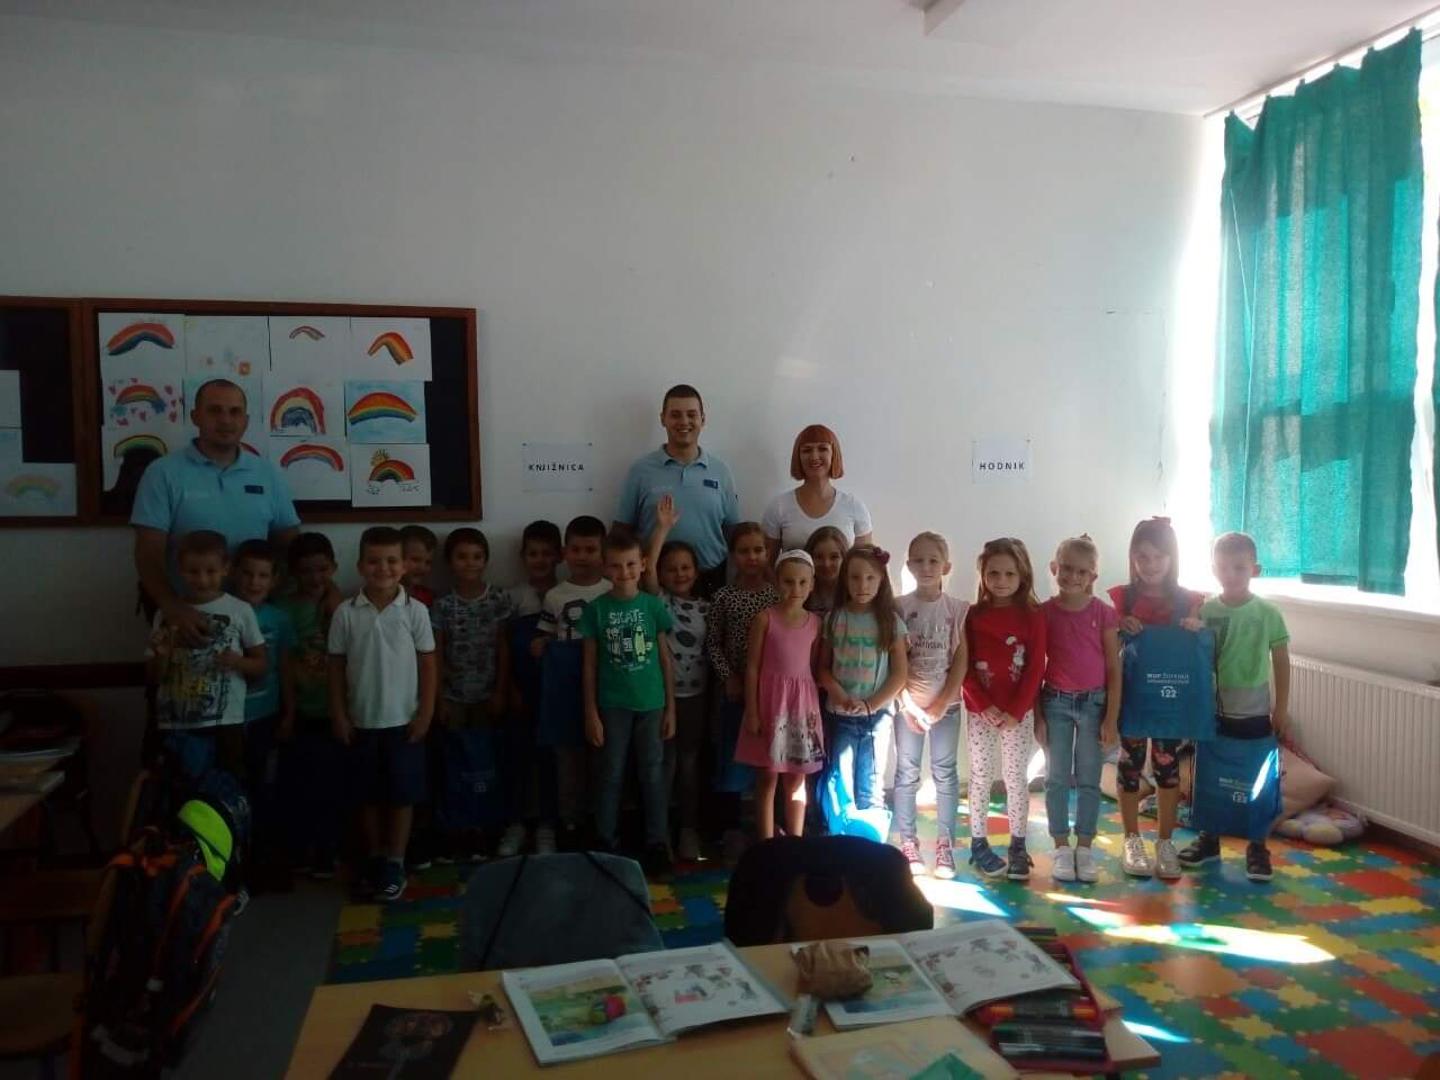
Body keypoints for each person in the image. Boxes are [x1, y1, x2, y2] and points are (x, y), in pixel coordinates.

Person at [132, 379, 300, 646]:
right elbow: (148, 553)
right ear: (195, 416)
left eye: (234, 412)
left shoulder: (267, 474)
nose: (225, 420)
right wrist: (172, 606)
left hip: (255, 620)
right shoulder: (162, 473)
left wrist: (319, 591)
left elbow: (292, 547)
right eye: (215, 410)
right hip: (189, 620)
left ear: (245, 421)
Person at [328, 526, 438, 903]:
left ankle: (395, 860)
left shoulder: (415, 611)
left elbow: (428, 664)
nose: (383, 568)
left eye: (392, 561)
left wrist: (425, 713)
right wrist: (339, 714)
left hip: (404, 721)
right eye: (374, 561)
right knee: (367, 795)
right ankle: (375, 856)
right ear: (360, 566)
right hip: (361, 721)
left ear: (404, 566)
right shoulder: (345, 613)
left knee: (402, 795)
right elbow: (335, 667)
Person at [1182, 532, 1291, 882]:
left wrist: (1281, 708)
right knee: (1209, 775)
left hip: (1255, 713)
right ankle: (1208, 839)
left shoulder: (1268, 613)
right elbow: (1195, 659)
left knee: (1258, 780)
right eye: (1223, 567)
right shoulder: (1206, 610)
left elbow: (1281, 661)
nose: (1230, 574)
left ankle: (1257, 846)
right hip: (1213, 713)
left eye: (1239, 568)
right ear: (1213, 569)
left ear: (1255, 570)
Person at [1107, 517, 1205, 880]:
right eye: (1142, 557)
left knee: (1166, 766)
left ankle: (1165, 842)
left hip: (1169, 699)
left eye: (1159, 557)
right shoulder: (1121, 599)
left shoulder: (1189, 600)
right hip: (1133, 696)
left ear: (1173, 557)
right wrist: (1120, 626)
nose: (1150, 565)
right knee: (1129, 764)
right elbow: (1108, 644)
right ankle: (1131, 839)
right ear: (1132, 558)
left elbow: (1203, 647)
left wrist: (1197, 627)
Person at [580, 528, 676, 873]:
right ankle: (606, 840)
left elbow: (665, 659)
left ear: (643, 564)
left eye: (631, 564)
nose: (624, 572)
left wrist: (671, 708)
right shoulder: (596, 610)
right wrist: (590, 712)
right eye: (616, 565)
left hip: (652, 705)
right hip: (612, 706)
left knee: (652, 774)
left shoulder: (652, 606)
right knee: (610, 773)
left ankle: (657, 842)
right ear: (605, 567)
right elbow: (589, 666)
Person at [146, 529, 266, 776]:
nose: (202, 579)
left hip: (225, 723)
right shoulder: (167, 613)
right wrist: (161, 654)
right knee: (177, 789)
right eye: (193, 572)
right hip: (175, 724)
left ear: (225, 569)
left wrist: (238, 662)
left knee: (227, 787)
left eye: (210, 571)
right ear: (180, 570)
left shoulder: (240, 610)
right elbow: (153, 677)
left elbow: (262, 664)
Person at [962, 537, 1046, 881]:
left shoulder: (1033, 616)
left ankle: (1018, 846)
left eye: (1009, 574)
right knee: (980, 776)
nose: (1001, 580)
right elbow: (964, 665)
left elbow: (1035, 668)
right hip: (980, 712)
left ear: (1022, 575)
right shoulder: (972, 615)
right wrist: (983, 706)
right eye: (993, 573)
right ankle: (978, 843)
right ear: (982, 574)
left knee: (1015, 778)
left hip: (1017, 715)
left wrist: (1016, 711)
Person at [1040, 535, 1120, 884]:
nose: (1072, 577)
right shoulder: (1044, 613)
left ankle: (1084, 847)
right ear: (1054, 568)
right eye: (1066, 568)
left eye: (1081, 572)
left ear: (1092, 577)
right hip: (1055, 703)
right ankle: (1061, 846)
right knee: (1056, 778)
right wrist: (1038, 717)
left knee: (1089, 778)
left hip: (1093, 705)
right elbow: (1035, 667)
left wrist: (1111, 718)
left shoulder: (1103, 613)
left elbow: (1114, 668)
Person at [430, 528, 514, 860]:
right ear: (450, 562)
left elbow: (504, 648)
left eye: (477, 557)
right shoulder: (443, 605)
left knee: (487, 763)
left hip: (488, 695)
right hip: (453, 697)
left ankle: (486, 827)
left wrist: (501, 691)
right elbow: (436, 653)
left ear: (486, 560)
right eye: (462, 557)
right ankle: (458, 828)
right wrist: (439, 698)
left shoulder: (498, 599)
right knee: (455, 764)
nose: (470, 563)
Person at [615, 384, 740, 596]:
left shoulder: (721, 471)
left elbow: (733, 532)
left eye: (691, 414)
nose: (684, 421)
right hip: (654, 583)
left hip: (711, 580)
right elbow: (622, 531)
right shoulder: (640, 471)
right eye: (675, 415)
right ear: (663, 419)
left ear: (703, 419)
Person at [894, 532, 969, 879]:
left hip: (946, 709)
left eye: (933, 561)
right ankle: (908, 843)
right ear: (909, 565)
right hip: (907, 708)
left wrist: (941, 704)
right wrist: (908, 705)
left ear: (946, 567)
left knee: (945, 773)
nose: (926, 567)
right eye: (919, 560)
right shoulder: (898, 607)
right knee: (907, 774)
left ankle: (944, 845)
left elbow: (960, 660)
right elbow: (895, 664)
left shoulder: (957, 609)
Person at [533, 515, 611, 851]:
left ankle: (600, 821)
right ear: (565, 552)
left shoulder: (611, 590)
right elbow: (545, 634)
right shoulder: (555, 595)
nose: (583, 556)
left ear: (603, 552)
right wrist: (540, 644)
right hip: (565, 690)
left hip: (606, 689)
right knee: (567, 761)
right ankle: (570, 823)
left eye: (591, 549)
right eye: (576, 549)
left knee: (603, 759)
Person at [736, 550, 824, 840]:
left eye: (802, 582)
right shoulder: (765, 619)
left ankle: (795, 841)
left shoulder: (815, 623)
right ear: (776, 582)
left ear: (812, 584)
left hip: (801, 707)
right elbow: (752, 667)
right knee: (767, 777)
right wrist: (752, 711)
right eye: (788, 581)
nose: (795, 589)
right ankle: (766, 844)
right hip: (770, 705)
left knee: (797, 779)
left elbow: (812, 668)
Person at [705, 523, 779, 857]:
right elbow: (713, 643)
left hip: (771, 693)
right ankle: (731, 827)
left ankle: (769, 823)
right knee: (732, 757)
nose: (752, 557)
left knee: (770, 759)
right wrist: (728, 678)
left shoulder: (777, 596)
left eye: (758, 550)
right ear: (733, 556)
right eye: (744, 551)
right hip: (736, 693)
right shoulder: (724, 597)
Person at [642, 495, 709, 862]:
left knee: (689, 766)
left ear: (696, 572)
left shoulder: (707, 608)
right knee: (662, 767)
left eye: (686, 568)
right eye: (672, 569)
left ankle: (688, 830)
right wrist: (662, 529)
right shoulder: (659, 603)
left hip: (696, 699)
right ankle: (659, 833)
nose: (679, 574)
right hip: (661, 699)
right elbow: (648, 569)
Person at [818, 545, 908, 819]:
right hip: (840, 715)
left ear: (881, 581)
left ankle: (871, 837)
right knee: (840, 781)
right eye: (855, 577)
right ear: (845, 580)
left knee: (872, 781)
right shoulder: (834, 619)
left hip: (877, 718)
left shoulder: (891, 622)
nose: (862, 585)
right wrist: (838, 694)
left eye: (870, 578)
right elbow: (822, 668)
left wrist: (871, 704)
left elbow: (899, 674)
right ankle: (841, 833)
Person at [277, 532, 345, 878]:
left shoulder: (343, 605)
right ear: (293, 573)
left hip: (337, 710)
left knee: (334, 784)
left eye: (322, 569)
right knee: (301, 784)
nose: (315, 578)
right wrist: (289, 711)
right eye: (306, 571)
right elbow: (285, 663)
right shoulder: (284, 610)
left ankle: (329, 851)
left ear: (333, 567)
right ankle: (302, 850)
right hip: (301, 709)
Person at [232, 538, 296, 883]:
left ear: (274, 580)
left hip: (265, 717)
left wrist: (289, 712)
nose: (254, 582)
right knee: (232, 790)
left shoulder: (279, 619)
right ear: (233, 574)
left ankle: (264, 862)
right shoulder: (222, 612)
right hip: (227, 720)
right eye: (247, 574)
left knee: (265, 790)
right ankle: (234, 863)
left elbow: (285, 668)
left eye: (262, 575)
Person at [500, 520, 563, 857]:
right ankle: (515, 824)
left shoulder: (566, 595)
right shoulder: (512, 597)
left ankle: (548, 826)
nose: (540, 560)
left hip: (556, 695)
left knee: (552, 762)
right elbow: (503, 647)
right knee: (517, 759)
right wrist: (508, 686)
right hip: (520, 691)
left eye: (547, 553)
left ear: (560, 556)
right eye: (533, 554)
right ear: (523, 557)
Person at [761, 425, 874, 564]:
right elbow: (767, 565)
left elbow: (865, 566)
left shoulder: (854, 507)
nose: (814, 457)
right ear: (798, 457)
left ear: (834, 454)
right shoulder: (778, 507)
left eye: (822, 449)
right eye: (807, 450)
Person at [804, 526, 849, 615]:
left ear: (845, 558)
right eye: (819, 557)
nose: (826, 564)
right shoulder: (798, 588)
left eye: (834, 557)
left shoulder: (854, 590)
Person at [400, 525, 438, 607]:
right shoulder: (383, 595)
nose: (422, 567)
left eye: (428, 562)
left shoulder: (429, 597)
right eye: (416, 560)